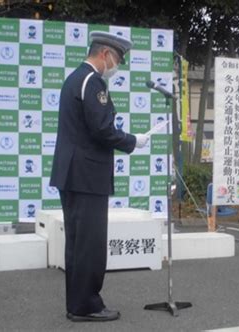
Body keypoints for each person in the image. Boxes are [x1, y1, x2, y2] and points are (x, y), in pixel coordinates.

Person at [50, 31, 149, 322]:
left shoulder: (74, 79)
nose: (116, 65)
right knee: (90, 244)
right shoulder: (92, 82)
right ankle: (87, 306)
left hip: (73, 173)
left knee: (78, 243)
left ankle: (78, 303)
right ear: (104, 54)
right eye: (117, 59)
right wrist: (133, 141)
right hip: (86, 174)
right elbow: (102, 129)